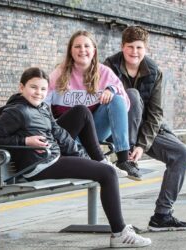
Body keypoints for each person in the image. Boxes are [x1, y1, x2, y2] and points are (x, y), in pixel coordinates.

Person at [0, 67, 151, 248]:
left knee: (101, 162)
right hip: (38, 165)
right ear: (21, 87)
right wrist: (26, 141)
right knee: (108, 174)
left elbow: (60, 134)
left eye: (43, 89)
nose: (38, 93)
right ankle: (120, 234)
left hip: (52, 158)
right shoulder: (16, 111)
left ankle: (118, 229)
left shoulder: (42, 108)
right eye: (33, 87)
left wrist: (82, 157)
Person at [104, 26, 186, 232]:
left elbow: (155, 113)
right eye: (130, 47)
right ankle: (125, 157)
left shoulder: (154, 72)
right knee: (132, 95)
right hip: (116, 130)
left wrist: (142, 146)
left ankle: (162, 215)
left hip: (144, 131)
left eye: (139, 47)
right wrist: (129, 145)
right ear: (122, 47)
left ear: (145, 48)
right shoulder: (109, 67)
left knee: (183, 154)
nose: (134, 52)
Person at [45, 30, 142, 181]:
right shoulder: (59, 73)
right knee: (80, 112)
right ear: (71, 50)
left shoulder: (104, 72)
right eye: (77, 46)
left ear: (94, 50)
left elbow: (125, 105)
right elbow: (42, 103)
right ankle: (84, 154)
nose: (82, 50)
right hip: (68, 134)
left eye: (86, 46)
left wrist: (112, 90)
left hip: (94, 131)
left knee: (116, 99)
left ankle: (124, 159)